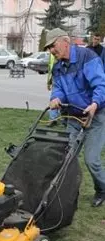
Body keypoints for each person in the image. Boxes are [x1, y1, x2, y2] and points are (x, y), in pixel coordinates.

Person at [45, 28, 105, 207]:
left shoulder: (87, 57)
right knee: (67, 156)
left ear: (65, 41)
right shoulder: (57, 67)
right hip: (74, 116)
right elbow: (59, 89)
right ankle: (65, 191)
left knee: (91, 160)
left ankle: (102, 189)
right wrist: (55, 99)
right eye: (48, 48)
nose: (51, 51)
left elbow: (101, 84)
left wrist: (95, 104)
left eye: (52, 46)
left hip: (97, 115)